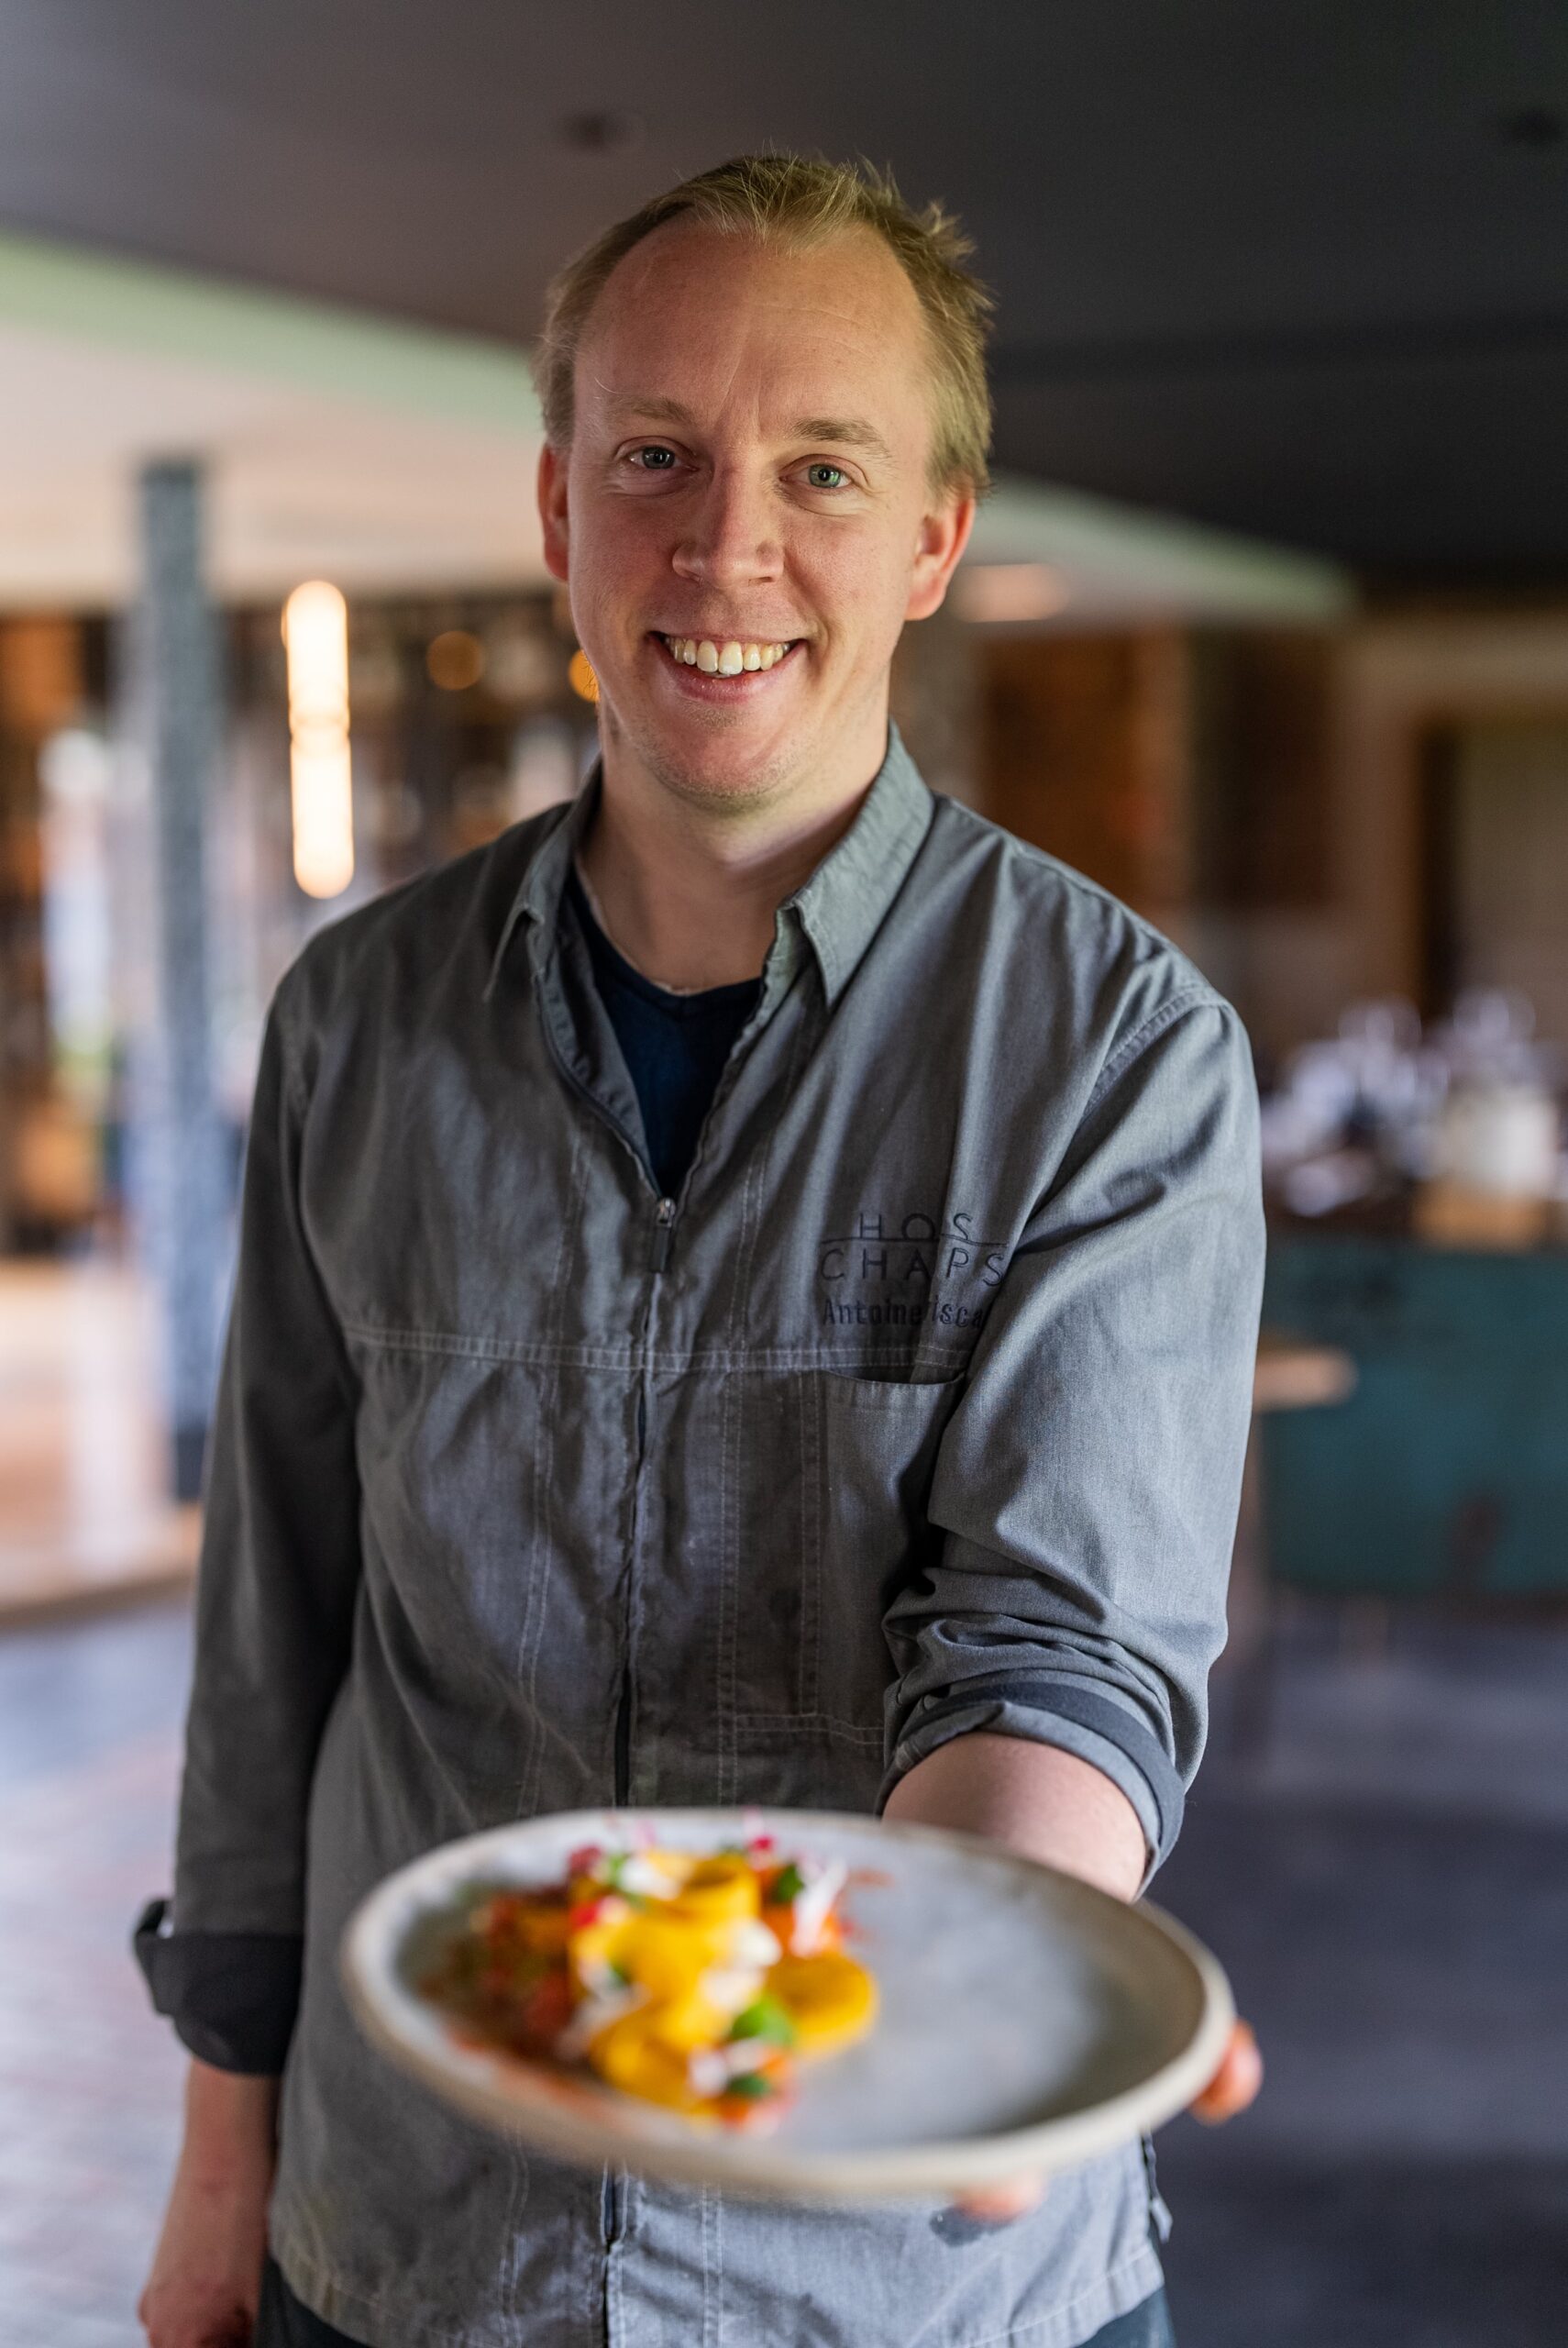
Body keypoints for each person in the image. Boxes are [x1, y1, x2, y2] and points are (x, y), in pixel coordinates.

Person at [135, 153, 1264, 2348]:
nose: (727, 545)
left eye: (822, 468)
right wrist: (215, 2180)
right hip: (416, 2247)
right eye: (656, 454)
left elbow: (1058, 1646)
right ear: (560, 505)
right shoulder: (358, 1019)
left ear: (932, 538)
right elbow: (274, 1643)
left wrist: (1013, 1962)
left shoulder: (1115, 1050)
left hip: (912, 2280)